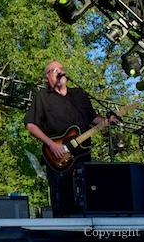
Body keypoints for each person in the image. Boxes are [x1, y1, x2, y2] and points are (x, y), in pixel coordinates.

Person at [23, 61, 111, 217]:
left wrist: (109, 120)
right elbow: (31, 125)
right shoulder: (42, 97)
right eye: (53, 70)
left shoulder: (79, 95)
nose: (59, 72)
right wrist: (51, 145)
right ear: (47, 78)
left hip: (82, 155)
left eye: (61, 69)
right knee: (62, 198)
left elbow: (92, 118)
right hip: (58, 156)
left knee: (88, 195)